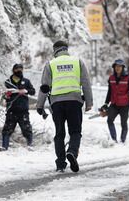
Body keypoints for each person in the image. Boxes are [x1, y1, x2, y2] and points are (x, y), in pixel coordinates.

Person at [36, 41, 93, 173]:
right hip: (74, 101)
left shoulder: (50, 64)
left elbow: (44, 87)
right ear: (66, 49)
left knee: (59, 133)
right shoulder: (78, 62)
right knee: (75, 131)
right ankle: (72, 152)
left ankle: (61, 163)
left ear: (55, 50)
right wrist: (89, 102)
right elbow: (86, 83)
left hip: (57, 103)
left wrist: (40, 105)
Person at [102, 59, 129, 143]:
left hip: (124, 104)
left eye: (120, 67)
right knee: (109, 120)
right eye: (116, 66)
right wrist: (106, 103)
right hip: (114, 104)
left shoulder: (128, 77)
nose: (118, 68)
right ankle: (114, 139)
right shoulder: (111, 78)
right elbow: (109, 92)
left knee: (123, 123)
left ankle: (123, 140)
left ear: (123, 68)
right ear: (114, 67)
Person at [0, 63, 36, 151]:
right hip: (11, 110)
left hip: (23, 110)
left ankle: (30, 145)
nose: (19, 70)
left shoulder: (26, 81)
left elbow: (33, 91)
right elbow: (3, 95)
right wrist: (6, 95)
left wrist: (25, 91)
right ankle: (4, 146)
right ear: (13, 70)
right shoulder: (7, 82)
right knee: (7, 129)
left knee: (27, 129)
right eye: (17, 69)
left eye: (21, 69)